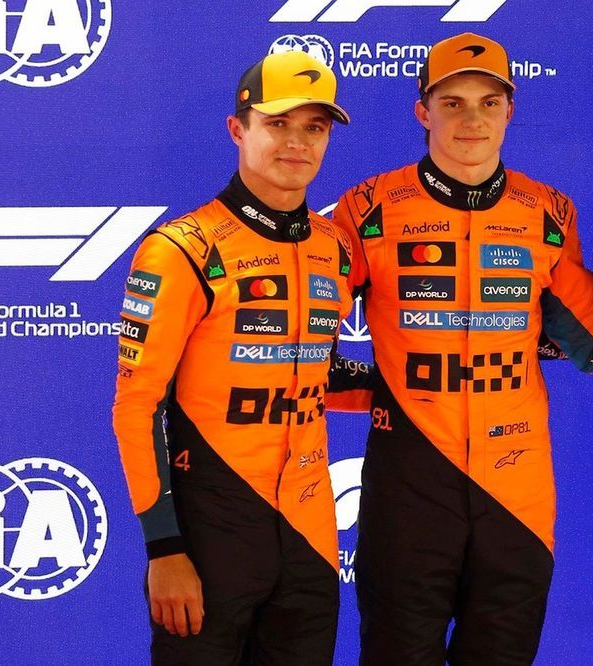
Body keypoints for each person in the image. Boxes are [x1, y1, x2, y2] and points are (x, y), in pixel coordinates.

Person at [333, 32, 593, 666]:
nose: (472, 119)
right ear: (423, 111)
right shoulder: (366, 207)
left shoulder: (548, 211)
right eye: (453, 103)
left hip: (517, 488)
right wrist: (386, 391)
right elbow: (301, 340)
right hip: (410, 483)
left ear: (510, 110)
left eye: (488, 102)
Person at [113, 49, 371, 664]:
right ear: (238, 128)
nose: (297, 143)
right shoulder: (183, 247)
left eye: (314, 127)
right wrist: (164, 549)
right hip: (211, 533)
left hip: (311, 536)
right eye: (277, 123)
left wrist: (421, 386)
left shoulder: (336, 247)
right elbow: (137, 405)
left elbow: (317, 372)